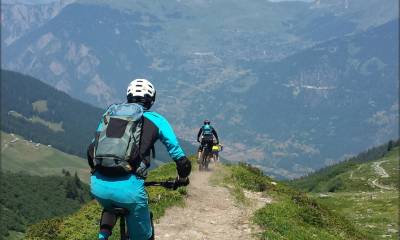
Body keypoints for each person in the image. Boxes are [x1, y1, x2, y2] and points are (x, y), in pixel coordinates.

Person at [87, 78, 192, 240]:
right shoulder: (157, 120)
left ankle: (103, 236)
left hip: (98, 186)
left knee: (110, 205)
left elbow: (90, 150)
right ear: (150, 100)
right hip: (130, 191)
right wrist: (182, 178)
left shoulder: (109, 115)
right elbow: (180, 159)